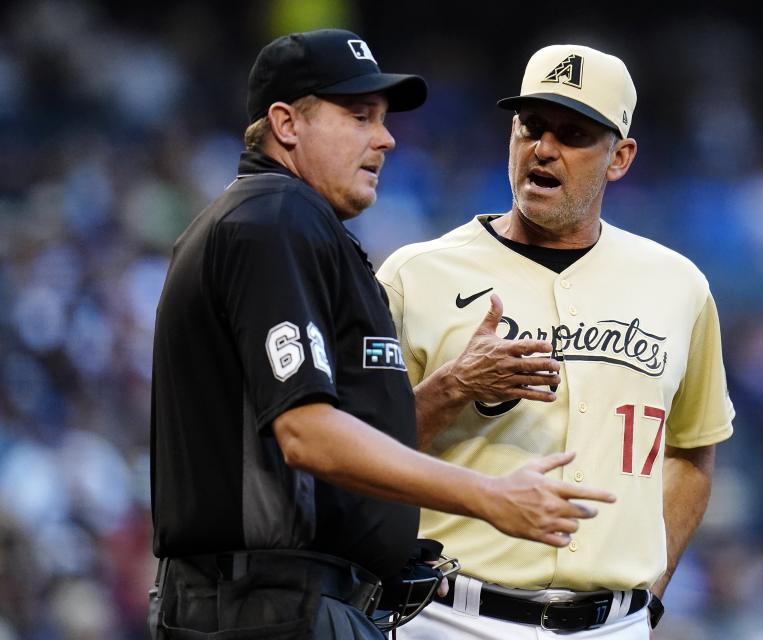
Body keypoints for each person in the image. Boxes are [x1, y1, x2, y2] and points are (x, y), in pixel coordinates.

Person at [149, 30, 616, 640]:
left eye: (384, 118)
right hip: (265, 605)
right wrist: (487, 494)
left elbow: (323, 452)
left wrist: (448, 389)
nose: (386, 137)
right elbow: (306, 435)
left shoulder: (284, 222)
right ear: (287, 124)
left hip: (278, 599)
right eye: (359, 116)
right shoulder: (274, 221)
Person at [377, 43, 735, 638]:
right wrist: (452, 387)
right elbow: (353, 459)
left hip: (612, 625)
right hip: (448, 615)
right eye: (531, 126)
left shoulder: (679, 286)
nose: (543, 149)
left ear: (619, 157)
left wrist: (651, 592)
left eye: (572, 134)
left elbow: (692, 451)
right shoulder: (414, 275)